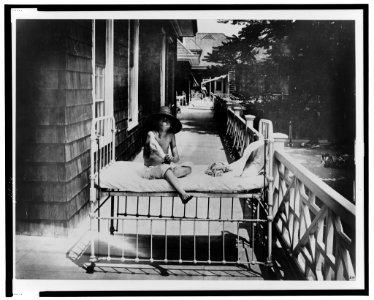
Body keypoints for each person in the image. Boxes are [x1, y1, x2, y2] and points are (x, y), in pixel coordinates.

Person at [143, 106, 193, 204]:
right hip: (150, 168)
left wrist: (172, 158)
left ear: (171, 123)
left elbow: (176, 158)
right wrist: (164, 157)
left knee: (188, 168)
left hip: (165, 166)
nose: (165, 120)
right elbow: (155, 146)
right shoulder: (151, 134)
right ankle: (183, 194)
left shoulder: (171, 135)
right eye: (162, 117)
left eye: (168, 118)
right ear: (157, 121)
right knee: (164, 168)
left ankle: (167, 175)